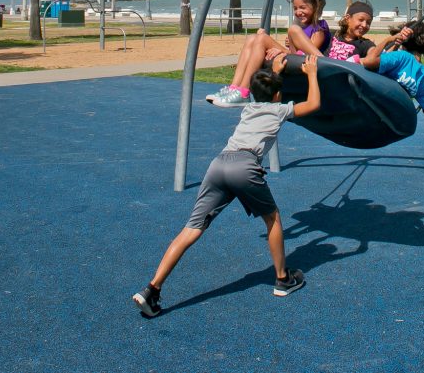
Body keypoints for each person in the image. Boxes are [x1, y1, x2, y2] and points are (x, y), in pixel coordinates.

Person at [133, 54, 322, 318]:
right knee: (272, 219)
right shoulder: (280, 110)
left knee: (191, 229)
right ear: (278, 95)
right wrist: (312, 72)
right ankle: (283, 279)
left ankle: (152, 289)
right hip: (244, 167)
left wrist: (274, 70)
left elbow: (265, 88)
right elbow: (314, 104)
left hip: (219, 164)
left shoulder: (248, 108)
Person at [207, 0, 330, 107]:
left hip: (311, 64)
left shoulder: (319, 28)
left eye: (303, 7)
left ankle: (244, 92)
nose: (298, 12)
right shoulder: (301, 28)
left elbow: (309, 55)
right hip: (295, 60)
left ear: (315, 7)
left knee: (263, 38)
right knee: (253, 38)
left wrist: (282, 50)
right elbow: (294, 53)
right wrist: (284, 49)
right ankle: (234, 87)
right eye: (295, 8)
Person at [359, 20, 424, 114]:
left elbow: (367, 62)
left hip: (376, 107)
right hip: (393, 114)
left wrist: (389, 40)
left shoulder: (401, 57)